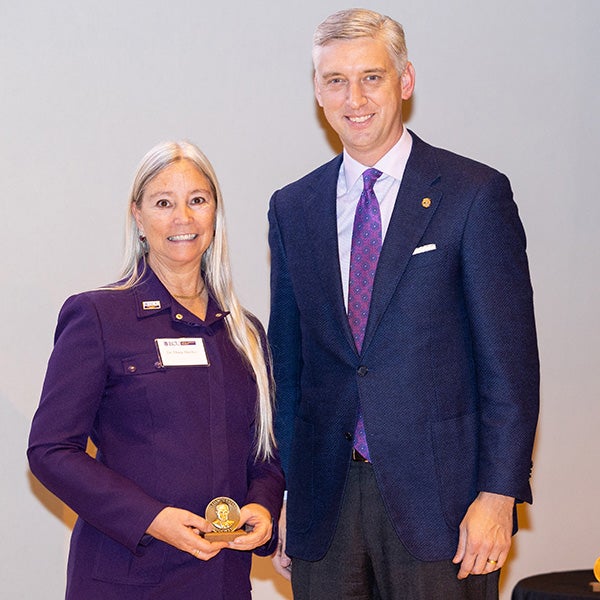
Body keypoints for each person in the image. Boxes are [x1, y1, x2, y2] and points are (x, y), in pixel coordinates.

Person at [268, 8, 539, 600]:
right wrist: (286, 493)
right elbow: (288, 371)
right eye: (335, 80)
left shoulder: (473, 195)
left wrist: (498, 495)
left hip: (444, 509)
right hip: (325, 507)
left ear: (405, 81)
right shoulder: (293, 208)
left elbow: (510, 366)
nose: (354, 97)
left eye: (372, 77)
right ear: (317, 91)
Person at [28, 141, 285, 600]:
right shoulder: (99, 316)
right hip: (127, 577)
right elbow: (51, 450)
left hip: (223, 581)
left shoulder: (246, 333)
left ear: (215, 215)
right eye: (164, 203)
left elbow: (265, 455)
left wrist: (263, 510)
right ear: (138, 217)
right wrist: (151, 518)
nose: (183, 218)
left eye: (197, 201)